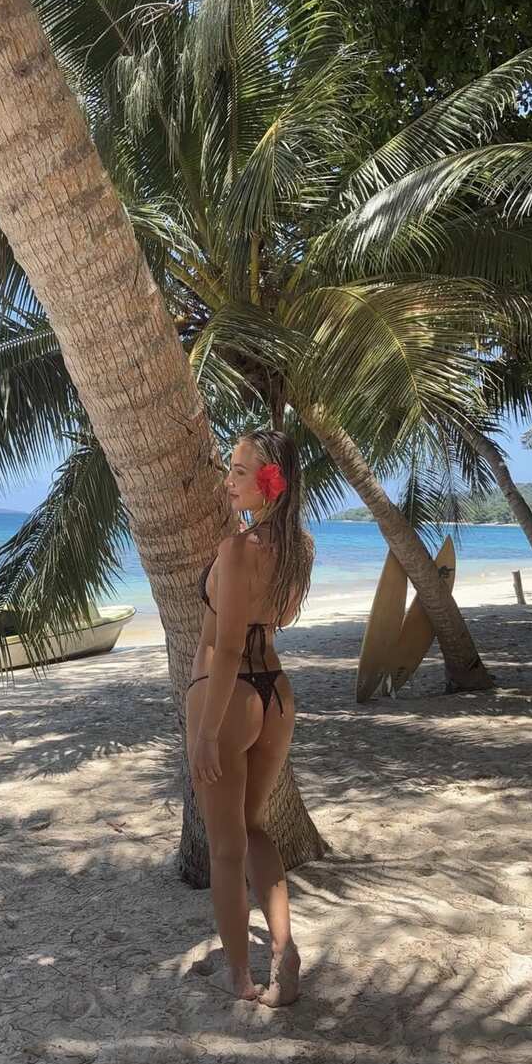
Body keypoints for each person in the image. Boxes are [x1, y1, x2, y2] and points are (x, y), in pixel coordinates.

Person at [185, 428, 315, 1005]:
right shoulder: (297, 550)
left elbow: (228, 645)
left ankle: (240, 976)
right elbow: (277, 618)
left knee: (225, 847)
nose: (228, 481)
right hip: (276, 695)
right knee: (255, 826)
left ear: (270, 481)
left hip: (229, 694)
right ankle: (282, 948)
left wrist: (207, 732)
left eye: (240, 471)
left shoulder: (237, 550)